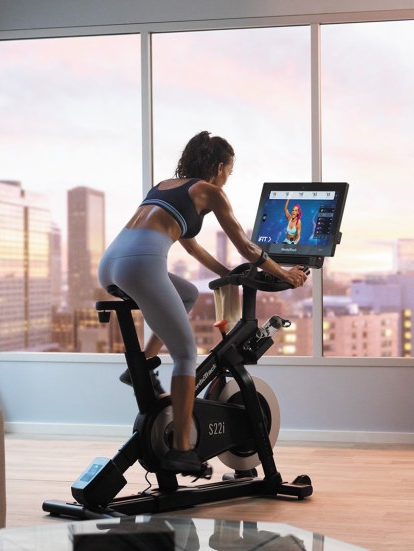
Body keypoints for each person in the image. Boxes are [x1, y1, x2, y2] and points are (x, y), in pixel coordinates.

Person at [98, 131, 309, 476]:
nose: (228, 176)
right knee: (185, 355)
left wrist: (227, 274)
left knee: (188, 294)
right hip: (140, 263)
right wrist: (284, 275)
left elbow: (192, 247)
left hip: (111, 263)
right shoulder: (212, 192)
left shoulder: (167, 186)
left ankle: (145, 363)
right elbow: (246, 246)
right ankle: (181, 450)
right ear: (219, 165)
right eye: (229, 169)